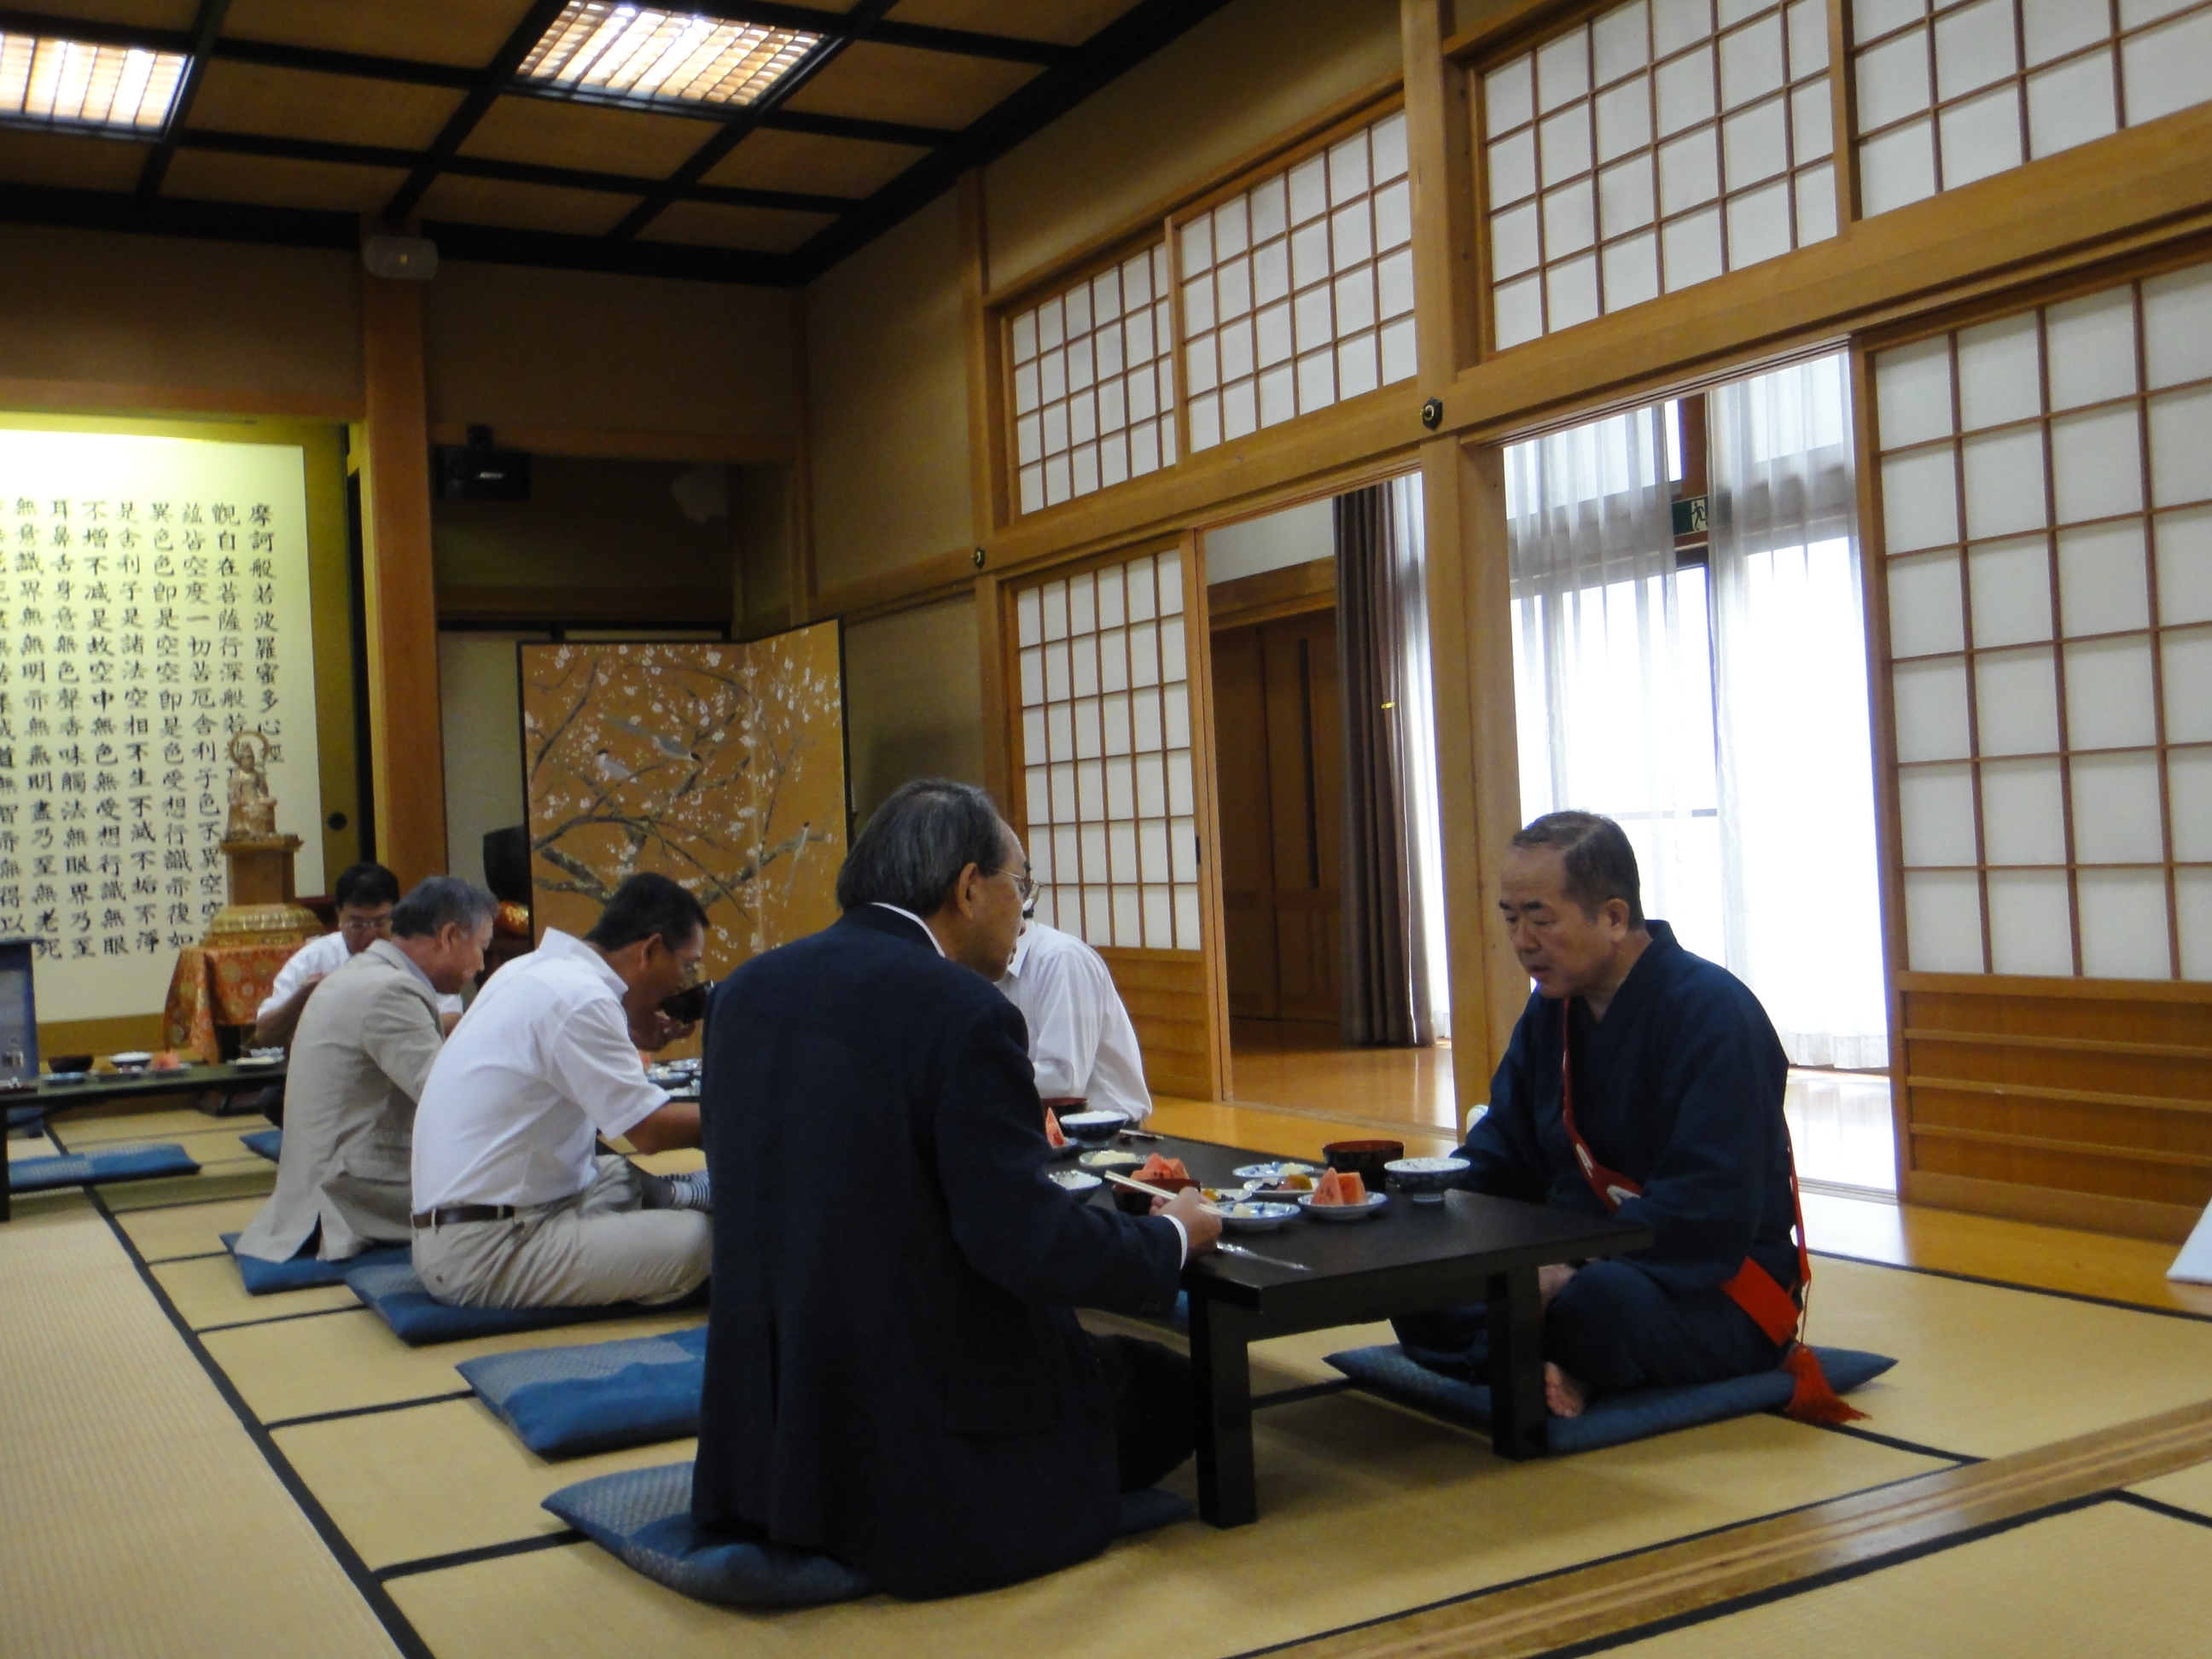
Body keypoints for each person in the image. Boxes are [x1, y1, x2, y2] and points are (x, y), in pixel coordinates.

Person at [691, 779, 1220, 1600]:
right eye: (1020, 886)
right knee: (1182, 1389)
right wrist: (1173, 1235)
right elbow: (1024, 1241)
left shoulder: (747, 991)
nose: (1022, 912)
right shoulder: (961, 1010)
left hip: (769, 1421)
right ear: (968, 888)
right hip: (920, 1420)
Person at [1393, 811, 1817, 1421]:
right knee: (1420, 1284)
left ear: (1614, 917)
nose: (1522, 941)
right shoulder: (1552, 1011)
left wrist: (1574, 1268)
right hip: (1568, 1259)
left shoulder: (1715, 1014)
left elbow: (1708, 1205)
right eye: (1511, 919)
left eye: (1541, 918)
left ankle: (1527, 1355)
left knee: (1600, 1306)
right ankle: (1545, 1362)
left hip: (1704, 1279)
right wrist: (1430, 1209)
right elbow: (1503, 1149)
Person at [408, 872, 714, 1310]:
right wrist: (754, 1112)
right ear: (649, 950)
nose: (685, 982)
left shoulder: (533, 970)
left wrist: (631, 1029)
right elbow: (649, 1131)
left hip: (484, 1219)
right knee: (701, 1242)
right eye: (686, 966)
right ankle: (689, 1206)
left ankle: (683, 1196)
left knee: (616, 1173)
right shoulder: (582, 998)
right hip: (489, 1250)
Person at [233, 878, 495, 1266]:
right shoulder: (391, 990)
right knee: (522, 1188)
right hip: (346, 1190)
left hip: (324, 1176)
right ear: (450, 936)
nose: (482, 965)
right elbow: (446, 1100)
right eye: (482, 947)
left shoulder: (364, 972)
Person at [253, 862, 465, 1050]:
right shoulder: (314, 958)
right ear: (339, 916)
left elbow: (453, 1018)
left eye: (380, 922)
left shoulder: (419, 954)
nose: (370, 934)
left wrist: (382, 1030)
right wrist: (303, 996)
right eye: (357, 924)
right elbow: (264, 1035)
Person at [996, 885, 1152, 1124]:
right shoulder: (981, 965)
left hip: (1104, 1129)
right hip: (1033, 1122)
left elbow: (1064, 1080)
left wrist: (983, 1079)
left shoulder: (1060, 959)